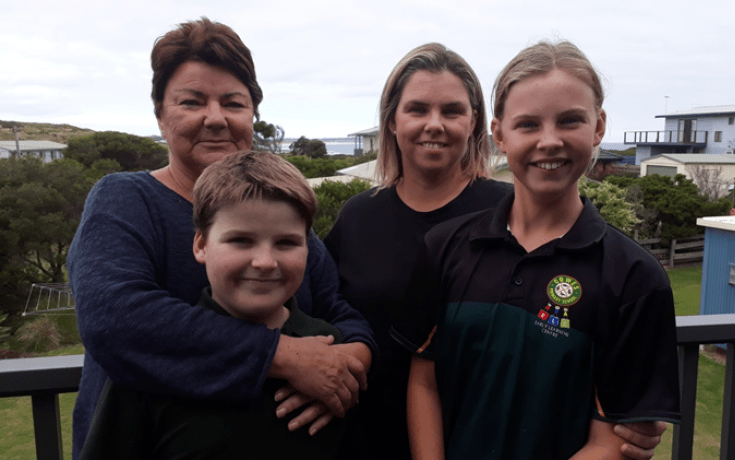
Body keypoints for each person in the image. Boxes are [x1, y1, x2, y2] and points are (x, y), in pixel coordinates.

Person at [310, 42, 666, 460]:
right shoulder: (364, 218)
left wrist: (630, 413)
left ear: (478, 123)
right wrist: (296, 361)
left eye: (452, 110)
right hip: (364, 434)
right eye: (418, 109)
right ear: (391, 121)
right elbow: (320, 306)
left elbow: (615, 420)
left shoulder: (510, 213)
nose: (435, 125)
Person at [67, 18, 374, 459]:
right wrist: (283, 357)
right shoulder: (126, 200)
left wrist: (348, 364)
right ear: (160, 114)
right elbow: (115, 317)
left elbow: (342, 313)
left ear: (252, 115)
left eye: (233, 102)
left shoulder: (278, 220)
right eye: (192, 102)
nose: (215, 119)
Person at [79, 150, 358, 459]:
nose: (265, 262)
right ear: (201, 245)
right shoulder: (148, 368)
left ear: (310, 250)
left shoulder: (334, 355)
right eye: (241, 240)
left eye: (286, 243)